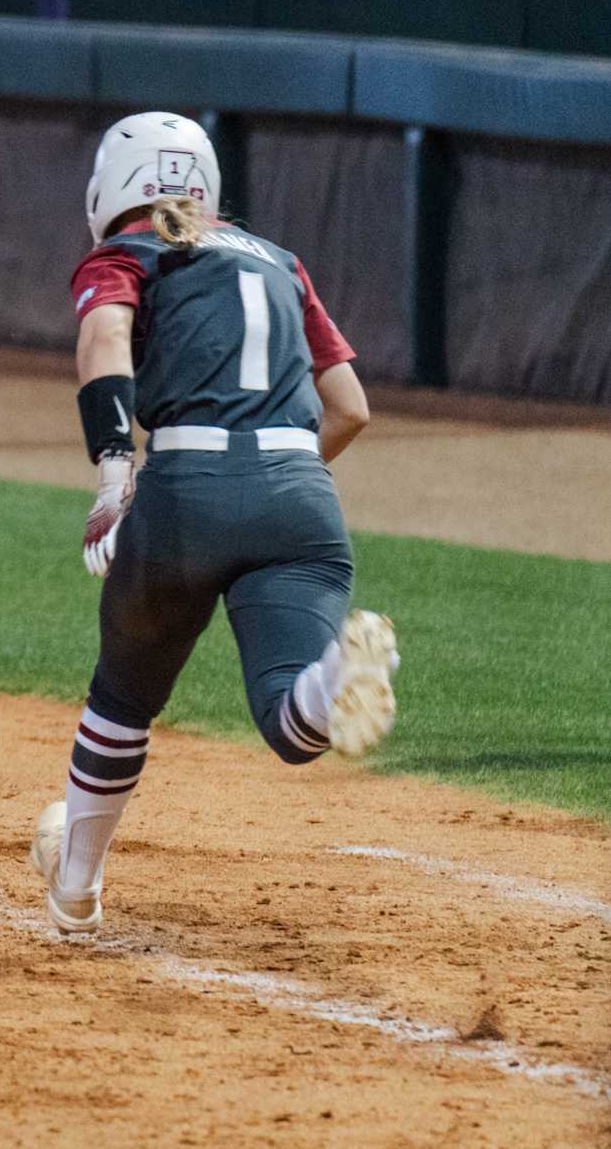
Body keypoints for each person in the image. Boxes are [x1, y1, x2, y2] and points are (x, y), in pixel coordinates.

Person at [29, 112, 400, 935]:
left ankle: (77, 892)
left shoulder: (126, 254)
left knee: (122, 696)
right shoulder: (280, 260)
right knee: (288, 721)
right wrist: (272, 480)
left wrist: (115, 472)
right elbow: (351, 408)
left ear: (112, 187)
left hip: (187, 486)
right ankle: (336, 675)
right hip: (302, 494)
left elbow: (104, 339)